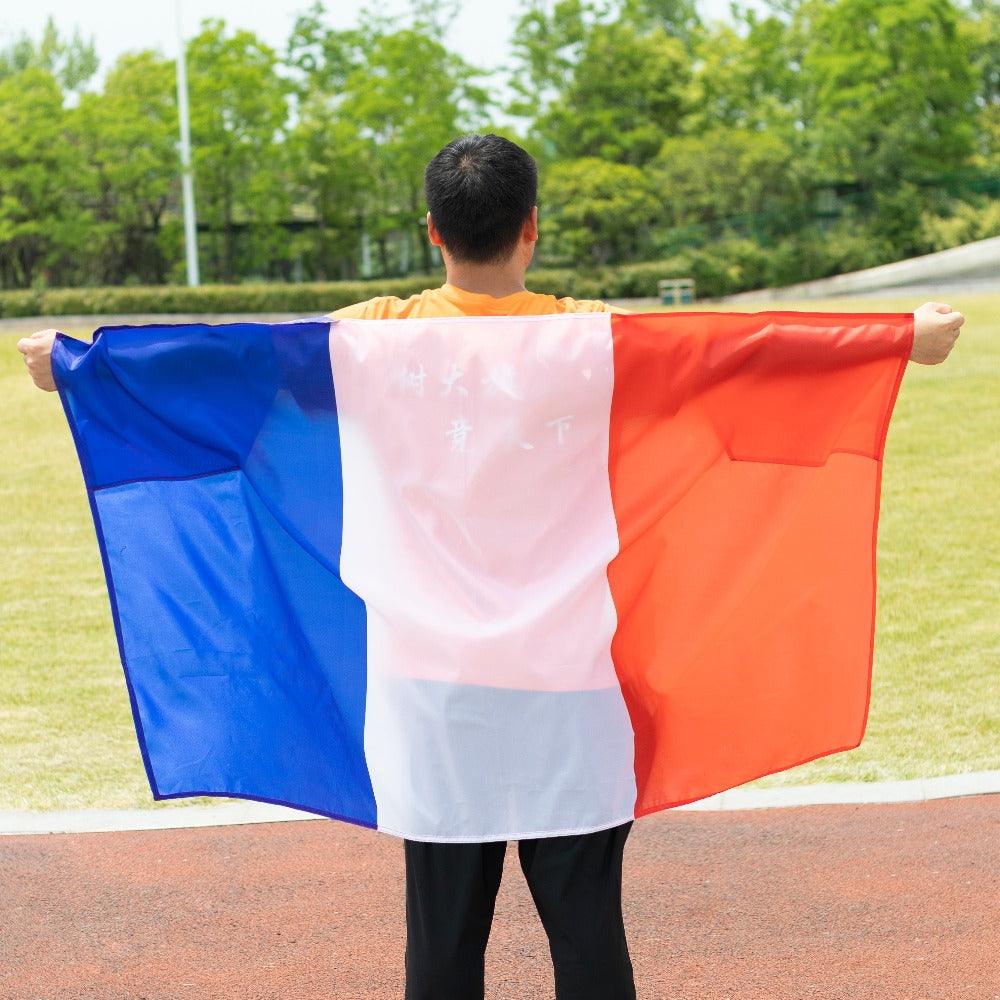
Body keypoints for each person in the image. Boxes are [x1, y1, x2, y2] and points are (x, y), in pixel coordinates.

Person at [17, 133, 965, 1000]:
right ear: (532, 231)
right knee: (589, 939)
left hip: (430, 701)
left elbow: (226, 367)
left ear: (433, 234)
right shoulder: (592, 339)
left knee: (442, 948)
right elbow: (733, 357)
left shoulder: (367, 341)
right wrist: (897, 340)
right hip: (569, 688)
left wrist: (79, 367)